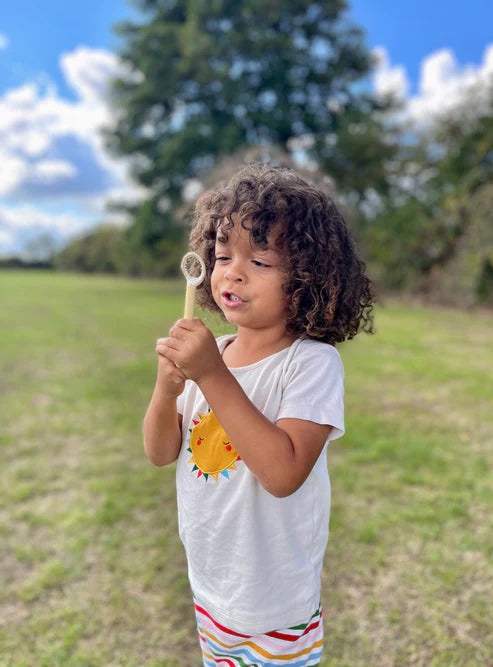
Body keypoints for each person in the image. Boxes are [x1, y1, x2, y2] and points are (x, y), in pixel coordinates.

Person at [143, 163, 374, 665]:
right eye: (223, 255)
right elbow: (161, 452)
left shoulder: (310, 363)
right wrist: (165, 392)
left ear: (308, 277)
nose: (233, 271)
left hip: (273, 604)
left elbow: (284, 473)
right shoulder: (215, 353)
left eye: (260, 261)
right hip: (211, 589)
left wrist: (210, 376)